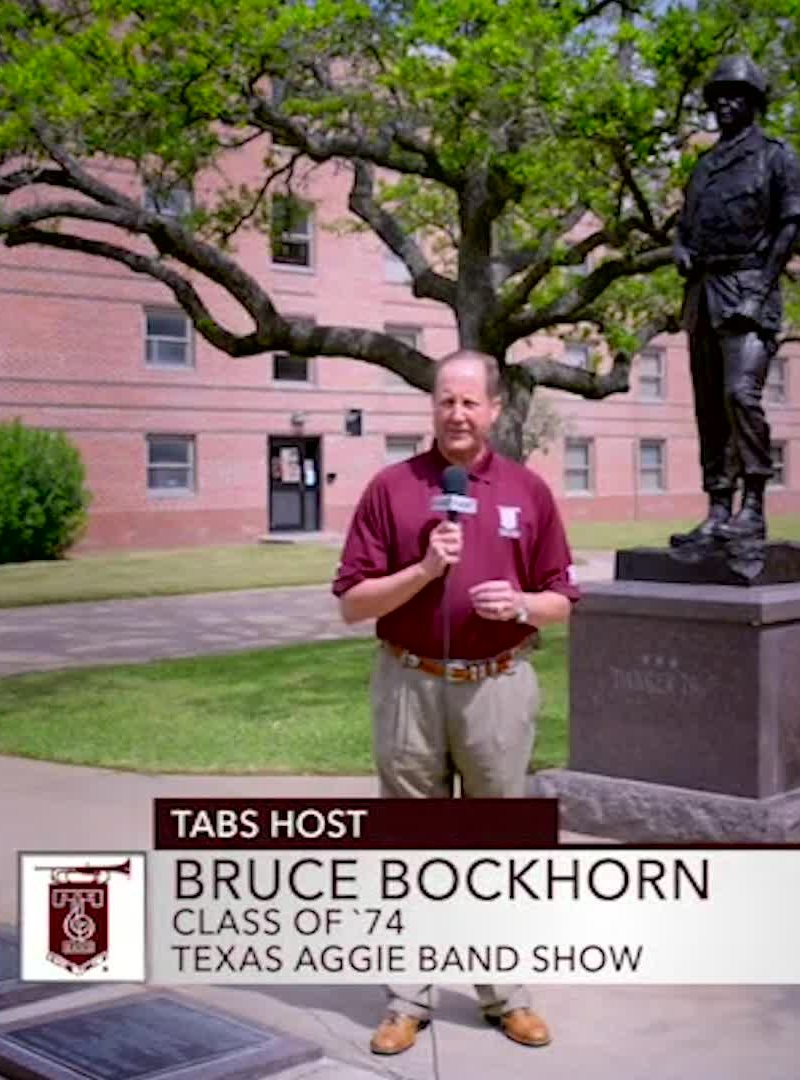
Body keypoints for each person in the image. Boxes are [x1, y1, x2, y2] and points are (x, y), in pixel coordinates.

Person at [331, 349, 580, 1056]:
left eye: (471, 402)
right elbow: (352, 603)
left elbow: (564, 599)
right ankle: (408, 998)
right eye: (446, 400)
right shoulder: (392, 488)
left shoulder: (528, 492)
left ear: (495, 409)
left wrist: (522, 604)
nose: (457, 414)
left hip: (498, 686)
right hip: (409, 684)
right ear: (432, 406)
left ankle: (503, 996)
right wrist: (423, 569)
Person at [670, 55, 800, 547]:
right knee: (708, 407)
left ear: (754, 103)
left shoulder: (776, 156)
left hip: (750, 287)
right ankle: (717, 507)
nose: (726, 104)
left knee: (739, 395)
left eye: (736, 96)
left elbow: (790, 225)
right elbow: (682, 228)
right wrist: (681, 250)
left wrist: (760, 289)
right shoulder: (704, 166)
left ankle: (753, 507)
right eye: (719, 97)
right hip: (703, 293)